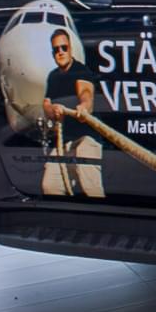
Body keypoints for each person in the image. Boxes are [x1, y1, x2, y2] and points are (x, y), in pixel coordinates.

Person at [40, 28, 104, 198]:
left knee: (90, 186)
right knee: (50, 185)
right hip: (64, 143)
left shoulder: (80, 71)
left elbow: (86, 93)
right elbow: (46, 104)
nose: (60, 52)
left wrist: (84, 106)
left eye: (64, 48)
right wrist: (52, 110)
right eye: (56, 49)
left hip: (86, 140)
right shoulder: (53, 77)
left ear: (70, 49)